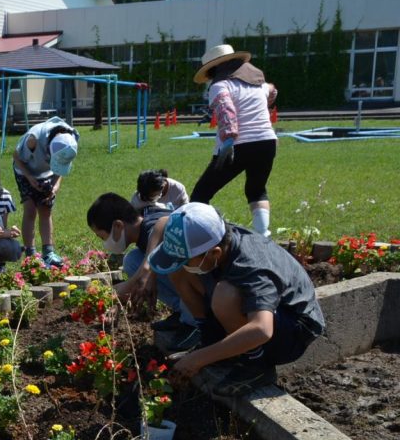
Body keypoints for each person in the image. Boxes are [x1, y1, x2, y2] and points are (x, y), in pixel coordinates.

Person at [148, 202, 325, 396]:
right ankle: (211, 340)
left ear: (215, 253)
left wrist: (197, 359)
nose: (187, 264)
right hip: (266, 314)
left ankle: (255, 365)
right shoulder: (216, 238)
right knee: (180, 270)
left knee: (226, 295)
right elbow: (163, 223)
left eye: (190, 259)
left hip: (293, 328)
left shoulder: (252, 265)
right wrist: (207, 352)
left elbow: (261, 330)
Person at [87, 193, 201, 351]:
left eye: (102, 237)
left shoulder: (150, 228)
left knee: (171, 265)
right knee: (133, 260)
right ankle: (182, 311)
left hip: (207, 283)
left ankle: (194, 321)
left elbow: (165, 236)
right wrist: (122, 299)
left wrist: (135, 281)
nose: (105, 243)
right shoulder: (146, 219)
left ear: (118, 226)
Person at [190, 44, 278, 237]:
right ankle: (263, 233)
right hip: (267, 141)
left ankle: (206, 235)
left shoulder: (220, 85)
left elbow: (225, 109)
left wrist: (229, 139)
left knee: (200, 195)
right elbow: (272, 91)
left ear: (213, 70)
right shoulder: (259, 85)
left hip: (238, 145)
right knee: (256, 190)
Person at [12, 116, 79, 267]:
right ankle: (30, 254)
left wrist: (55, 186)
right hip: (25, 170)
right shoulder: (33, 139)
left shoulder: (70, 140)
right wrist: (29, 178)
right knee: (30, 209)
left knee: (46, 209)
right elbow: (16, 156)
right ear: (48, 148)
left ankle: (48, 252)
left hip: (47, 173)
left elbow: (62, 164)